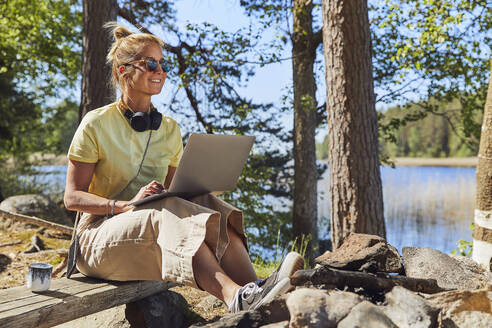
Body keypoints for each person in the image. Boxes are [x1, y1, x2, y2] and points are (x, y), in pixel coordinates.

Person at [63, 22, 304, 313]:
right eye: (150, 63)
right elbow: (73, 198)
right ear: (122, 70)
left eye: (163, 64)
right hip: (95, 239)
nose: (160, 71)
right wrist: (126, 206)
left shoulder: (169, 129)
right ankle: (233, 297)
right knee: (163, 216)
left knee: (208, 203)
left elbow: (176, 196)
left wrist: (181, 191)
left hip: (145, 230)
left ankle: (261, 291)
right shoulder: (96, 123)